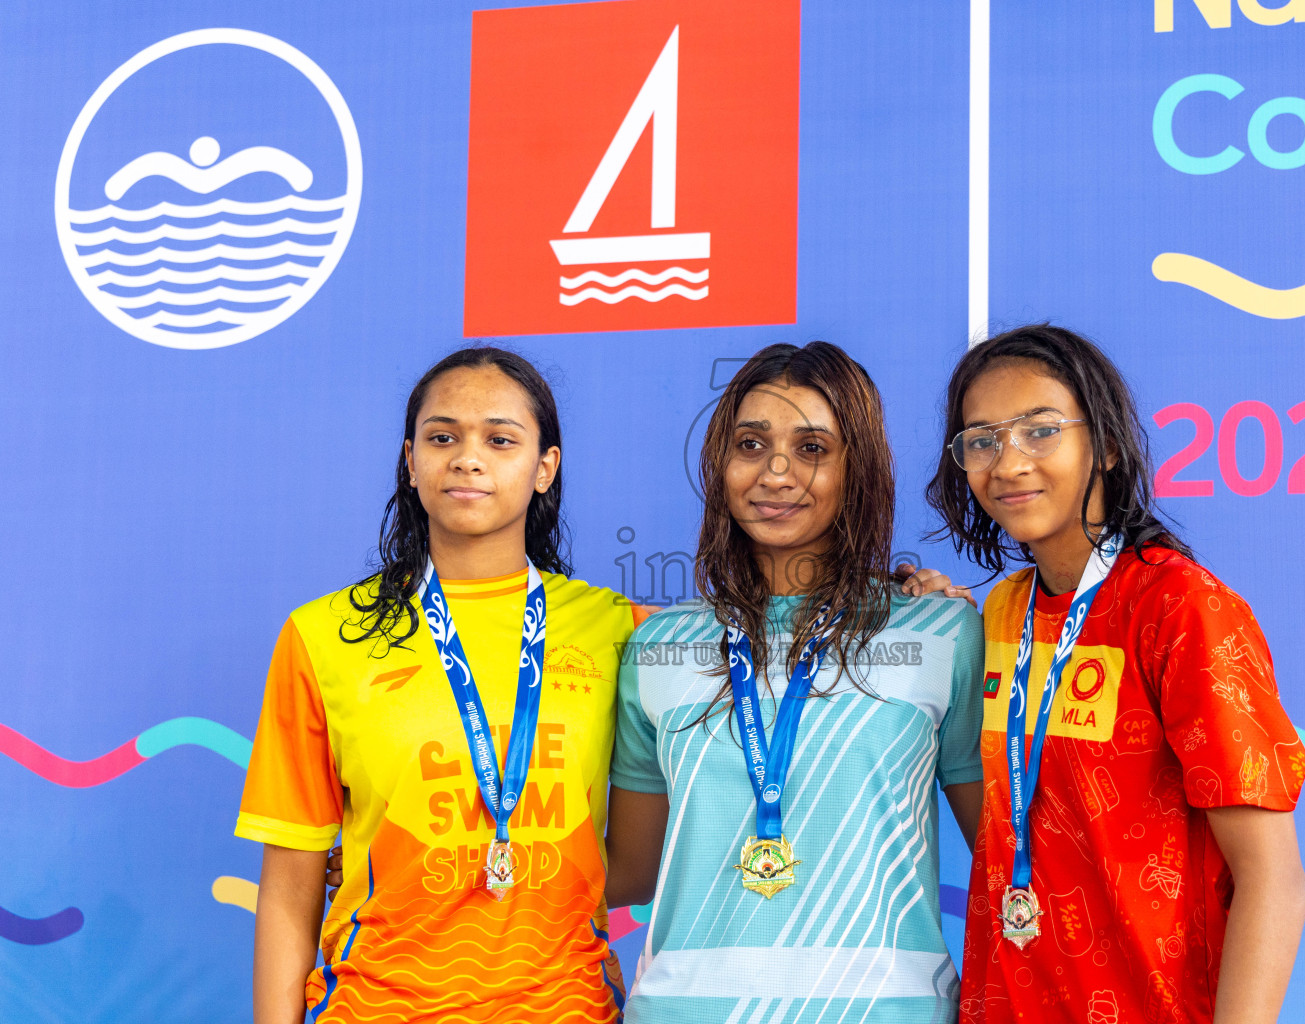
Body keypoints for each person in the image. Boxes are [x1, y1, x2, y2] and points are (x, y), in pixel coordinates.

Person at [236, 347, 643, 1024]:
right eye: (443, 436)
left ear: (546, 467)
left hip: (568, 1007)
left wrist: (883, 603)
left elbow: (773, 642)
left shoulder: (621, 629)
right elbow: (289, 885)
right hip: (374, 1007)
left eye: (500, 439)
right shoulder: (324, 634)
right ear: (410, 460)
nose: (467, 458)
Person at [925, 324, 1305, 1024]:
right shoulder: (1001, 615)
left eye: (1039, 431)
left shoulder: (1180, 608)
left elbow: (1271, 877)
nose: (1007, 463)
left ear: (1102, 444)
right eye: (980, 441)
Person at [604, 341, 985, 1023]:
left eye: (812, 448)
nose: (776, 473)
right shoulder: (657, 647)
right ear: (720, 464)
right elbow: (626, 871)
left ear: (857, 470)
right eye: (751, 444)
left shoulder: (941, 633)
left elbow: (1006, 858)